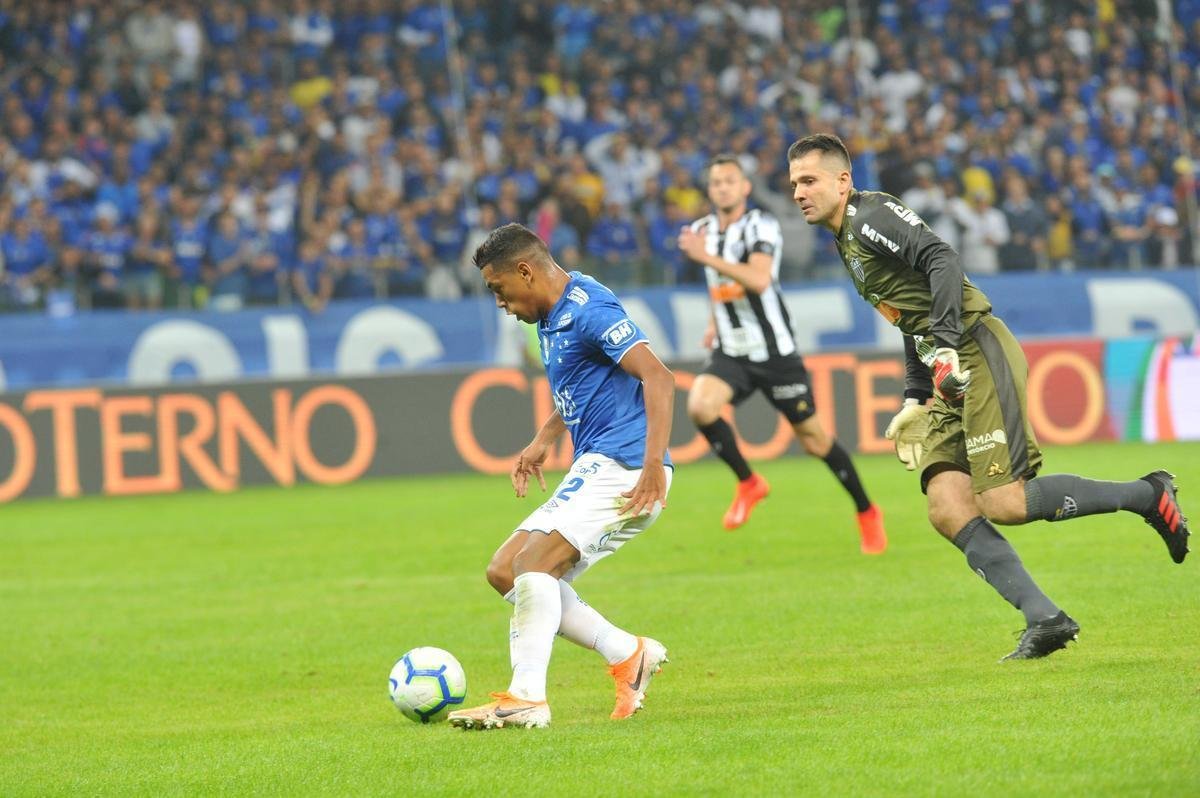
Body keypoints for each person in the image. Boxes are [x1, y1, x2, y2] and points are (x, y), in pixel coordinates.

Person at [785, 133, 1190, 660]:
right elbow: (910, 312)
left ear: (843, 181)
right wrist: (914, 395)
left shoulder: (870, 217)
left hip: (975, 350)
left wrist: (949, 348)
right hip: (945, 371)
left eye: (809, 180)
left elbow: (942, 261)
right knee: (947, 506)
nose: (798, 192)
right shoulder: (845, 237)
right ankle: (1045, 618)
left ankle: (1147, 495)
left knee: (1003, 501)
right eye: (793, 183)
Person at [448, 223, 675, 730]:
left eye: (498, 289)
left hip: (625, 466)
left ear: (525, 271)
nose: (500, 303)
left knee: (533, 565)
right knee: (506, 570)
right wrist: (545, 437)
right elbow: (582, 382)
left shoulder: (590, 309)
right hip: (595, 463)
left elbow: (659, 376)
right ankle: (627, 652)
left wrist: (654, 464)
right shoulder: (551, 315)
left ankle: (526, 696)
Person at [678, 154, 887, 553]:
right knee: (701, 406)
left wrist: (704, 256)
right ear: (710, 190)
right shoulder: (704, 230)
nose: (722, 187)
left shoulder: (761, 225)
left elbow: (758, 280)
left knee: (815, 441)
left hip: (776, 355)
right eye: (715, 182)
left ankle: (866, 510)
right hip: (732, 351)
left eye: (729, 181)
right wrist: (713, 319)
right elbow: (717, 283)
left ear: (744, 188)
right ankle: (749, 482)